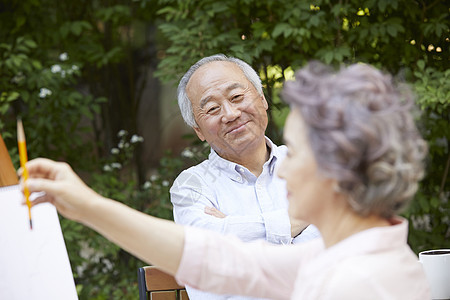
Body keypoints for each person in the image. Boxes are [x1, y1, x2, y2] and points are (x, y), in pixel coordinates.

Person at [23, 62, 430, 299]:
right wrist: (86, 204)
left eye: (298, 152)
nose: (284, 167)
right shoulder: (341, 260)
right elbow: (219, 259)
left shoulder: (359, 282)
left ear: (339, 169)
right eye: (213, 108)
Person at [170, 54, 319, 299]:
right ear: (198, 130)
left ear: (262, 100)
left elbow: (343, 249)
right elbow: (212, 279)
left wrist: (233, 231)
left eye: (237, 97)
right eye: (212, 109)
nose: (230, 114)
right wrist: (294, 223)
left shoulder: (310, 163)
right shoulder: (191, 188)